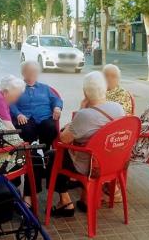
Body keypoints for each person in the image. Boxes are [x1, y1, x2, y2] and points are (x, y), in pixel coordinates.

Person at [49, 71, 125, 217]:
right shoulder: (118, 107)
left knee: (54, 155)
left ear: (85, 92)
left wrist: (81, 110)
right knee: (75, 152)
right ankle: (89, 197)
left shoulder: (85, 115)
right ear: (104, 88)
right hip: (113, 162)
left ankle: (65, 202)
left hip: (91, 167)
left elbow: (63, 140)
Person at [10, 61, 63, 149]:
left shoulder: (45, 88)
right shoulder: (17, 88)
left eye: (34, 71)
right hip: (25, 118)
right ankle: (31, 155)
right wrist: (18, 114)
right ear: (23, 73)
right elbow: (10, 103)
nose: (32, 73)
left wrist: (57, 107)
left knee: (50, 127)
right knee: (26, 130)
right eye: (29, 71)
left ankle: (45, 151)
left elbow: (56, 99)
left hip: (44, 117)